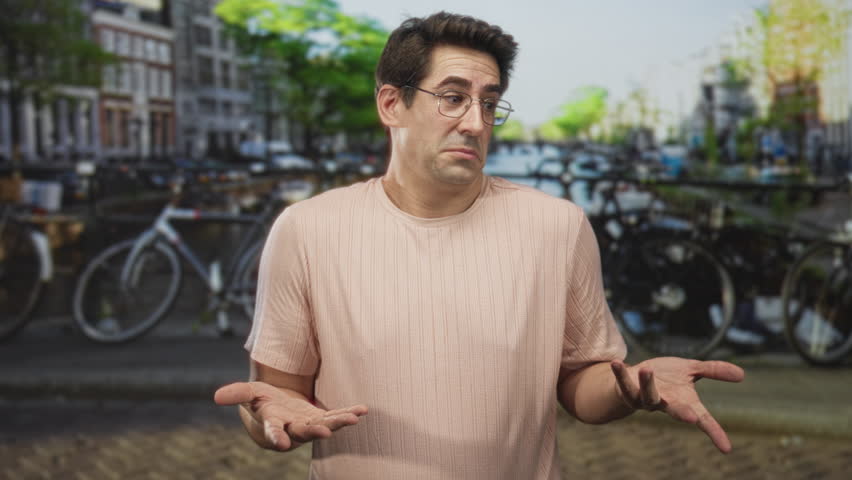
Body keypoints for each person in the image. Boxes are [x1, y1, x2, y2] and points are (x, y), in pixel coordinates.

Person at [214, 12, 745, 479]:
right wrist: (264, 417)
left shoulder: (557, 228)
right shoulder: (307, 231)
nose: (475, 122)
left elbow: (580, 382)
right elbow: (276, 400)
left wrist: (631, 387)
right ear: (391, 103)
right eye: (452, 99)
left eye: (489, 104)